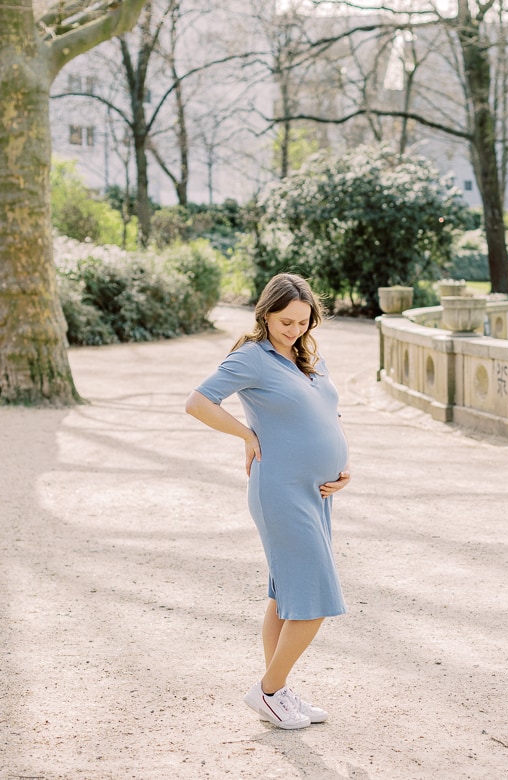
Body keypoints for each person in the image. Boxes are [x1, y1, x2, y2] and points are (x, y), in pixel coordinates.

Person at [185, 273, 351, 730]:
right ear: (265, 314)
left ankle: (278, 693)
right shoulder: (251, 359)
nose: (295, 329)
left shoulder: (306, 358)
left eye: (303, 321)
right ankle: (267, 692)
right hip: (279, 489)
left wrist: (341, 466)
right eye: (285, 321)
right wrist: (246, 434)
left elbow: (325, 415)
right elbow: (198, 402)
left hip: (317, 492)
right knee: (314, 598)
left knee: (285, 595)